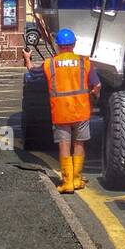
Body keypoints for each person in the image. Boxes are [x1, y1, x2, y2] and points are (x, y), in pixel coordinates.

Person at [26, 28, 100, 193]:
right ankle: (76, 179)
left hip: (61, 112)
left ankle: (67, 183)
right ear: (73, 44)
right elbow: (97, 85)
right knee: (79, 143)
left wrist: (27, 59)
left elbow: (32, 72)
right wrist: (94, 96)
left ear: (58, 46)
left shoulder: (50, 64)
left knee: (64, 144)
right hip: (81, 110)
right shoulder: (84, 62)